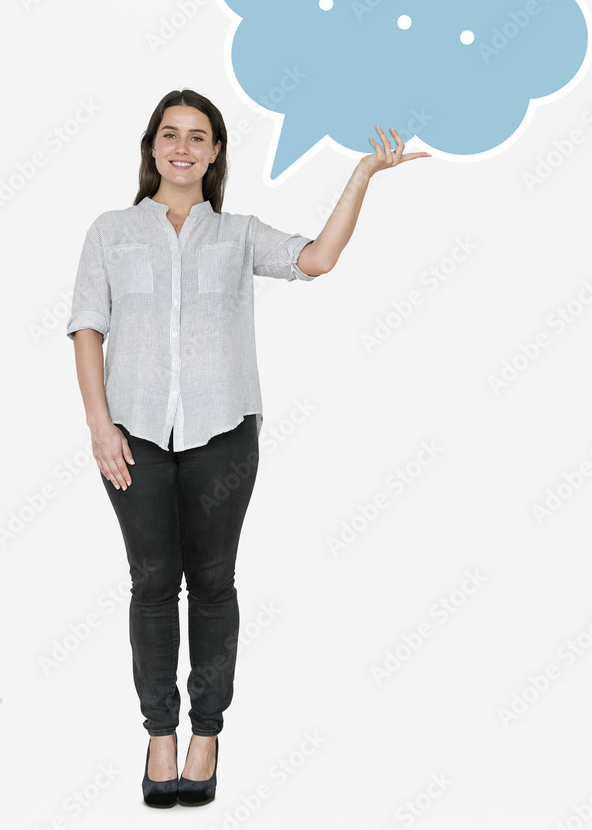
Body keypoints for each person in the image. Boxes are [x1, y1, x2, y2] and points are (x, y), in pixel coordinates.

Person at [65, 88, 430, 807]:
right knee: (150, 584)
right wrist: (99, 425)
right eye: (169, 135)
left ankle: (207, 732)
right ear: (151, 148)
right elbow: (87, 327)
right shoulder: (110, 231)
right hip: (132, 436)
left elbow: (317, 260)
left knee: (213, 583)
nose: (182, 147)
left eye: (198, 137)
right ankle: (159, 732)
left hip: (225, 432)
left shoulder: (236, 235)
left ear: (216, 151)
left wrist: (360, 178)